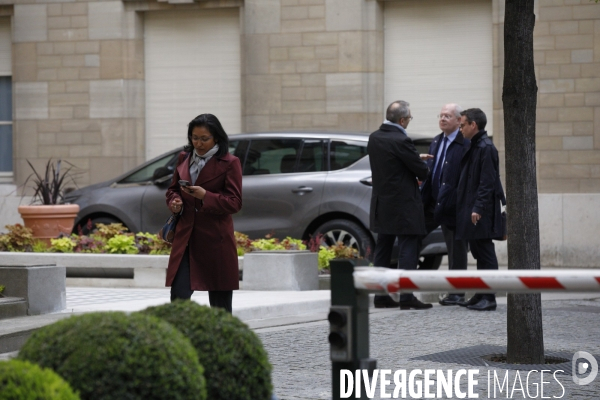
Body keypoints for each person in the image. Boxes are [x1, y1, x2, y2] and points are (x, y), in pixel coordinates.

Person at [166, 113, 242, 313]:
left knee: (220, 307)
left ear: (216, 137)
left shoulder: (230, 162)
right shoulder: (184, 157)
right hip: (186, 238)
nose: (198, 143)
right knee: (178, 298)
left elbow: (234, 203)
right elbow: (172, 189)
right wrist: (175, 201)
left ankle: (223, 344)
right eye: (194, 137)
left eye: (204, 139)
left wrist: (205, 195)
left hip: (215, 240)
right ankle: (181, 342)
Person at [368, 100, 432, 310]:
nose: (408, 123)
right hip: (404, 205)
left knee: (383, 250)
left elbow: (391, 164)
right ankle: (406, 297)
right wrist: (420, 162)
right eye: (409, 119)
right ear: (402, 120)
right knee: (408, 249)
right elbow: (421, 172)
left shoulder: (375, 137)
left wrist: (413, 158)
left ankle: (380, 296)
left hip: (382, 203)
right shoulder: (401, 139)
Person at [419, 103, 470, 306]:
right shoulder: (436, 140)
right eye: (440, 115)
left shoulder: (464, 143)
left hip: (452, 205)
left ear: (459, 121)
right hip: (431, 202)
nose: (442, 119)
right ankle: (406, 286)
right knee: (413, 236)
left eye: (448, 116)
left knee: (456, 249)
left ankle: (456, 293)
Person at [456, 108, 503, 311]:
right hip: (472, 207)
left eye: (463, 125)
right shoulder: (475, 145)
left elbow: (487, 182)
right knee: (477, 251)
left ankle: (489, 297)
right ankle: (480, 292)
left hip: (481, 209)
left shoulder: (486, 147)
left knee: (485, 252)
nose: (460, 129)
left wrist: (478, 207)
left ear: (473, 125)